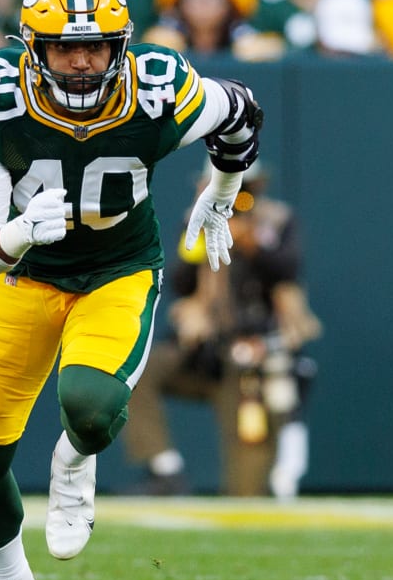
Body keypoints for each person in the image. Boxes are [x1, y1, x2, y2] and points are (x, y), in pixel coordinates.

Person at [0, 0, 263, 580]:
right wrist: (17, 233)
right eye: (67, 48)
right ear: (34, 49)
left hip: (116, 270)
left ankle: (73, 459)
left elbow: (239, 112)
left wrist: (221, 195)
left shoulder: (157, 89)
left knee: (91, 413)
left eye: (96, 46)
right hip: (22, 275)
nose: (85, 63)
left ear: (120, 46)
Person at [121, 163, 322, 498]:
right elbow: (181, 282)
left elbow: (288, 269)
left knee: (246, 482)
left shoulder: (276, 220)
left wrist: (252, 243)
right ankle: (165, 468)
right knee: (135, 373)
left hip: (252, 356)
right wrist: (198, 238)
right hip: (203, 347)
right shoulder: (196, 219)